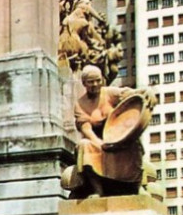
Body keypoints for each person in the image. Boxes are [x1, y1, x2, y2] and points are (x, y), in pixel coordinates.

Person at [67, 65, 157, 198]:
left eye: (98, 80)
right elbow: (85, 128)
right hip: (97, 140)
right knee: (83, 145)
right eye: (91, 82)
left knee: (134, 144)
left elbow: (130, 93)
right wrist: (99, 142)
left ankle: (137, 186)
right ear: (84, 83)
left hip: (119, 137)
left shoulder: (108, 93)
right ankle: (97, 189)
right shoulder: (80, 104)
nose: (95, 84)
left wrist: (146, 91)